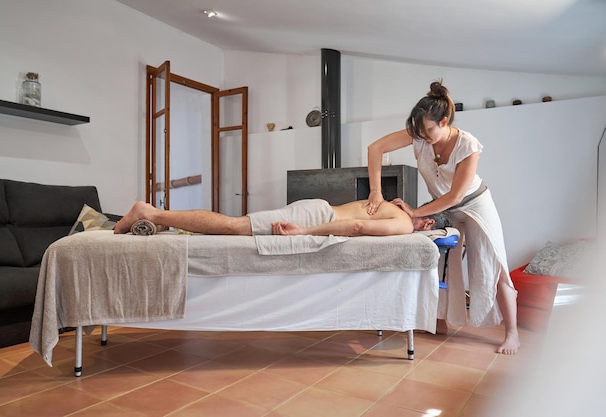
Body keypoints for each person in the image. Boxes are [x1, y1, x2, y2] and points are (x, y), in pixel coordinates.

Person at [364, 80, 520, 355]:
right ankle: (440, 322)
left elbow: (456, 197)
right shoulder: (419, 135)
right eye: (418, 131)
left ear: (444, 121)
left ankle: (513, 334)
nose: (422, 136)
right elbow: (375, 148)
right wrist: (375, 192)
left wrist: (414, 211)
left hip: (475, 204)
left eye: (428, 130)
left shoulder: (468, 145)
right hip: (444, 208)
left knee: (493, 265)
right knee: (439, 261)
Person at [114, 198, 449, 237]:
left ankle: (159, 219)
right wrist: (306, 232)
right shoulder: (405, 223)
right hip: (318, 214)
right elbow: (357, 226)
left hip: (319, 206)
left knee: (235, 226)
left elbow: (359, 220)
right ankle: (152, 212)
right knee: (234, 226)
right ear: (430, 224)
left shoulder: (394, 206)